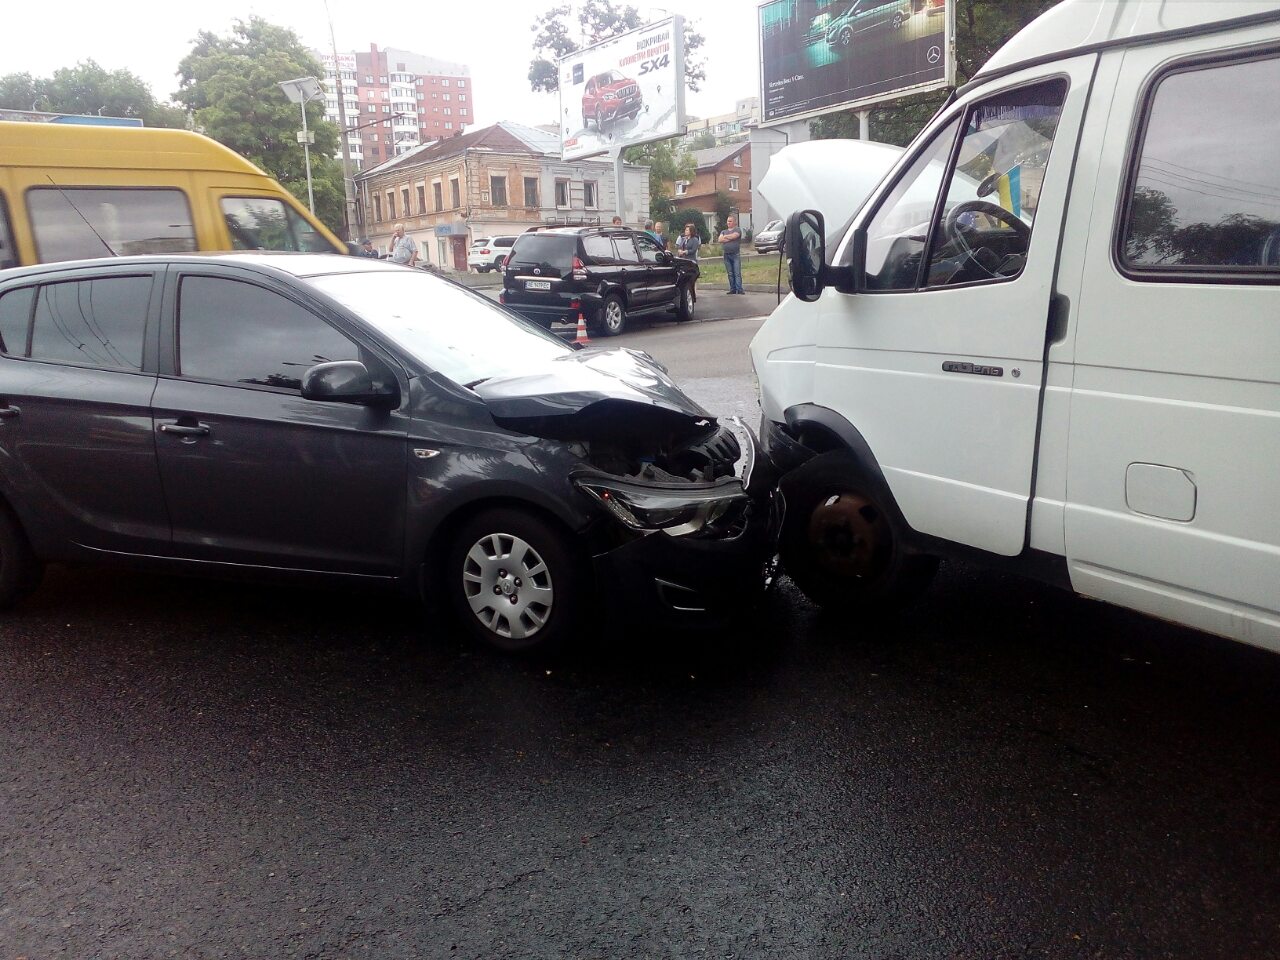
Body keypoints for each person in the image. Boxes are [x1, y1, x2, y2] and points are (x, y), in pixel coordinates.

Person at [718, 215, 745, 294]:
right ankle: (732, 289)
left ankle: (739, 289)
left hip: (735, 254)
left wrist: (725, 237)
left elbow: (734, 236)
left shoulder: (737, 229)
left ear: (734, 222)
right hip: (726, 255)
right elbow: (720, 239)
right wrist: (728, 238)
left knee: (737, 273)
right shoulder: (723, 231)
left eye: (730, 221)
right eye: (727, 221)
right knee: (730, 273)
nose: (728, 223)